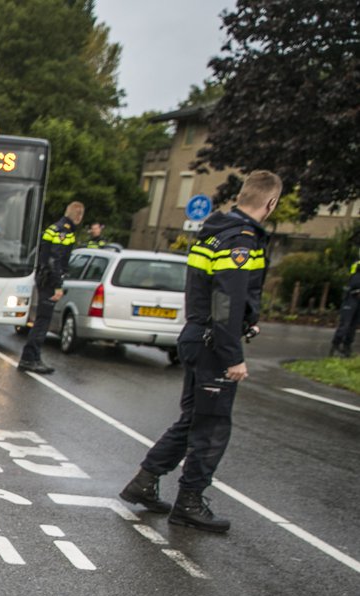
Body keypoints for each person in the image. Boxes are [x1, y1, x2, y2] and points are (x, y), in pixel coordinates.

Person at [120, 170, 282, 533]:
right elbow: (225, 300)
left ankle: (144, 482)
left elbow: (211, 294)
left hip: (197, 335)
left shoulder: (213, 232)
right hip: (214, 344)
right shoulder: (240, 240)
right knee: (211, 427)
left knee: (193, 419)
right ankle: (190, 503)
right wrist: (232, 354)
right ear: (270, 203)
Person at [18, 201, 84, 374]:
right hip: (49, 281)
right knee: (42, 321)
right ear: (78, 216)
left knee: (41, 320)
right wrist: (58, 285)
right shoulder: (64, 232)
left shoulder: (54, 228)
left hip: (43, 277)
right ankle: (30, 358)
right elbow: (56, 260)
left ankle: (33, 357)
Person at [331, 251, 360, 357]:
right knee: (346, 323)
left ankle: (347, 346)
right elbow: (353, 281)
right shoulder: (357, 265)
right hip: (352, 298)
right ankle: (336, 343)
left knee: (354, 325)